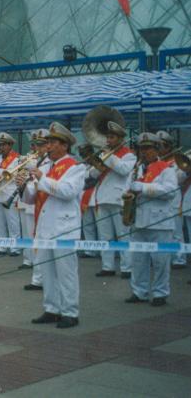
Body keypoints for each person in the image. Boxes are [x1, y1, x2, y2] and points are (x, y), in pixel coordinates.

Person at [23, 122, 85, 329]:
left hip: (64, 228)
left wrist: (42, 179)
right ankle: (51, 309)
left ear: (64, 145)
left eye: (52, 142)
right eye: (47, 143)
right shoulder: (46, 167)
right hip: (45, 227)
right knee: (47, 272)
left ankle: (70, 312)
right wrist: (23, 186)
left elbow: (68, 192)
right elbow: (31, 198)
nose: (47, 146)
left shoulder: (76, 167)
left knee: (66, 274)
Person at [125, 132, 178, 307]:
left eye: (148, 148)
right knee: (138, 260)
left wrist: (143, 187)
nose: (144, 152)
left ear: (157, 149)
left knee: (160, 261)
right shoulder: (136, 169)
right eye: (141, 148)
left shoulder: (166, 169)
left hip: (159, 222)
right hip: (138, 220)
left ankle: (160, 293)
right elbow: (128, 189)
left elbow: (170, 191)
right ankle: (139, 291)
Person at [91, 121, 135, 278]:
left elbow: (124, 170)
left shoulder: (129, 155)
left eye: (112, 137)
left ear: (121, 139)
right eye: (108, 137)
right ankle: (107, 266)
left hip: (118, 198)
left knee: (123, 235)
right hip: (103, 197)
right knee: (105, 236)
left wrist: (109, 156)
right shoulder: (105, 154)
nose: (108, 140)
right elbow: (93, 174)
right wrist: (97, 165)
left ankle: (127, 268)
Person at [23, 129, 49, 291]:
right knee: (34, 241)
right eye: (36, 145)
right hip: (35, 205)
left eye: (41, 145)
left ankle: (41, 278)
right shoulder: (37, 161)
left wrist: (34, 175)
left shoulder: (48, 164)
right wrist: (23, 185)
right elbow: (31, 189)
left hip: (47, 208)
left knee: (42, 245)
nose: (37, 149)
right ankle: (37, 278)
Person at [157, 131, 186, 269]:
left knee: (176, 232)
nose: (158, 149)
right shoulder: (156, 161)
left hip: (174, 200)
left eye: (161, 146)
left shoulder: (177, 161)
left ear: (168, 147)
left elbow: (180, 178)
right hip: (159, 201)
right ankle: (165, 258)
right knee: (161, 232)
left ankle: (179, 259)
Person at [0, 133, 21, 256]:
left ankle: (15, 248)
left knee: (13, 223)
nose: (2, 147)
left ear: (10, 145)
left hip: (10, 194)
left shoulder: (17, 159)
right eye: (1, 145)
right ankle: (2, 247)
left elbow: (12, 174)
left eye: (4, 145)